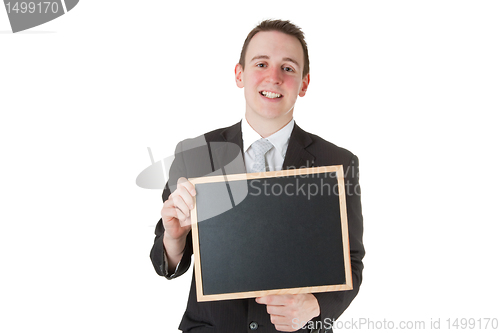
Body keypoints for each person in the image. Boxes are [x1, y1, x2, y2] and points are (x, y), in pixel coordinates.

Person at [150, 19, 365, 333]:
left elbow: (351, 262)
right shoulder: (196, 154)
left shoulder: (337, 163)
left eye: (288, 68)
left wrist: (314, 306)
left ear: (304, 83)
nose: (273, 77)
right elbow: (165, 261)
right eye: (261, 63)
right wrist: (174, 237)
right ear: (240, 74)